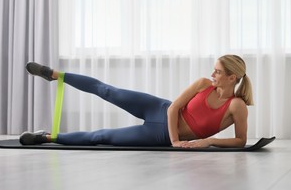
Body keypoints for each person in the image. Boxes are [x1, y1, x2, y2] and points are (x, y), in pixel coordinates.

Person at [20, 55, 253, 148]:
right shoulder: (203, 84)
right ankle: (54, 75)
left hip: (156, 135)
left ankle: (46, 137)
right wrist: (175, 141)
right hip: (159, 110)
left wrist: (209, 141)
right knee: (108, 91)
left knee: (101, 137)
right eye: (213, 70)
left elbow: (241, 141)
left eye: (218, 72)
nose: (212, 75)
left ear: (232, 77)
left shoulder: (236, 106)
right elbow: (173, 108)